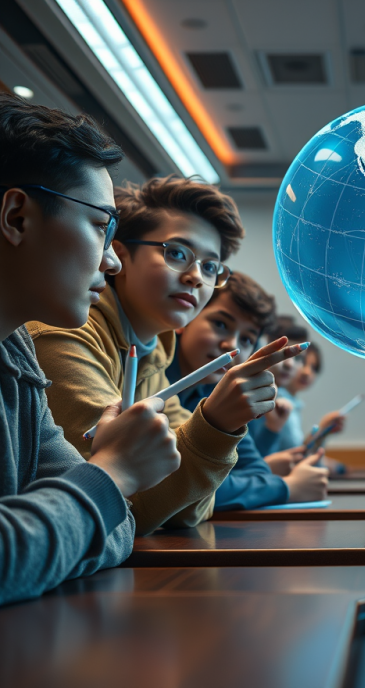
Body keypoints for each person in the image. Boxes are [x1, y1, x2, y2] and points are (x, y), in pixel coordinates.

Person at [28, 175, 303, 534]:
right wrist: (216, 425)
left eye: (210, 267)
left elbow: (190, 509)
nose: (195, 278)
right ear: (120, 255)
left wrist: (206, 444)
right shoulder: (66, 334)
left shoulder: (152, 356)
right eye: (176, 253)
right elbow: (124, 507)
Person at [0, 94, 179, 605]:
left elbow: (115, 529)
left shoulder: (14, 352)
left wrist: (80, 507)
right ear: (16, 216)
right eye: (101, 226)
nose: (113, 263)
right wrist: (112, 472)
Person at [169, 272, 328, 509]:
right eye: (220, 324)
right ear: (188, 316)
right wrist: (286, 488)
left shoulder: (213, 391)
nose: (231, 345)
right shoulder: (151, 378)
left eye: (245, 340)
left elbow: (257, 472)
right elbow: (179, 488)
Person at [250, 316, 343, 471]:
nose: (289, 364)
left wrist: (321, 434)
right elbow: (251, 467)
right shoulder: (254, 397)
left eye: (298, 358)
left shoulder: (283, 400)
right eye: (281, 354)